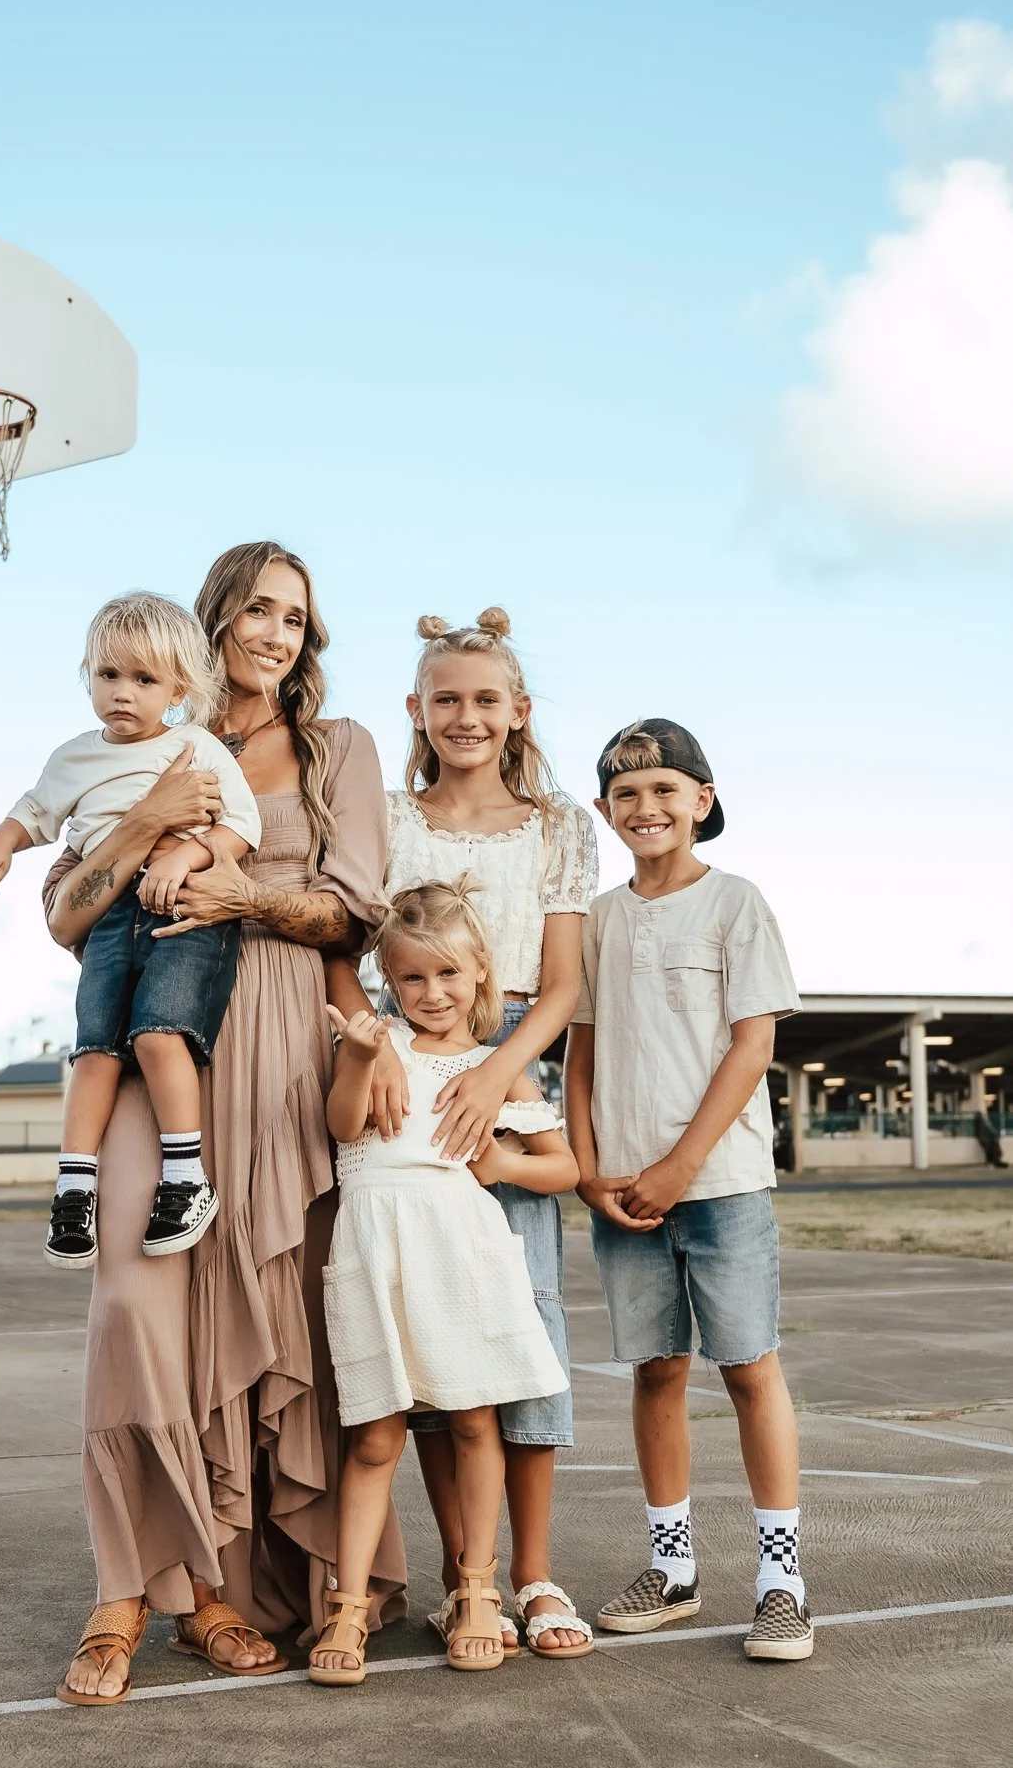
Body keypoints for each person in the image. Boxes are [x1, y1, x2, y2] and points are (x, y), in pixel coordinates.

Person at [44, 542, 405, 1706]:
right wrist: (142, 817)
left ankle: (227, 1598)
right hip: (159, 1048)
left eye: (296, 616)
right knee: (133, 1304)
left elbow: (353, 909)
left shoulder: (336, 748)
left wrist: (244, 892)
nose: (275, 631)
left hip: (287, 1053)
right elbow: (64, 918)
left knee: (281, 1318)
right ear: (212, 620)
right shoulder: (133, 735)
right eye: (256, 607)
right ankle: (122, 1592)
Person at [327, 608, 597, 1657]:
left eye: (486, 698)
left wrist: (493, 1072)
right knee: (427, 1350)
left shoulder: (555, 822)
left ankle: (527, 1574)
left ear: (517, 711)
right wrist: (383, 1047)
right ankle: (460, 1578)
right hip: (408, 1065)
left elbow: (563, 980)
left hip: (506, 1054)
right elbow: (355, 949)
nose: (466, 716)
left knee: (516, 1332)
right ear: (416, 710)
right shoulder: (391, 817)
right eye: (446, 698)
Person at [566, 719, 813, 1662]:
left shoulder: (734, 904)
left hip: (720, 1185)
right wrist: (587, 1167)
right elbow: (579, 1051)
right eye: (626, 794)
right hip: (622, 1191)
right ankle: (672, 1571)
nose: (646, 807)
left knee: (748, 1370)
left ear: (701, 802)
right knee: (656, 1371)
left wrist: (679, 1167)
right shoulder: (595, 917)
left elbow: (752, 1044)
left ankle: (780, 1583)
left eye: (665, 790)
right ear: (604, 811)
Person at [309, 880, 578, 1685]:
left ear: (479, 973)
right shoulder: (373, 1044)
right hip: (376, 1254)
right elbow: (341, 1126)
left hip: (462, 1255)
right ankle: (348, 1607)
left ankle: (475, 1590)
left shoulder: (491, 1072)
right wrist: (360, 1056)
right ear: (389, 978)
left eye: (448, 975)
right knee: (375, 1437)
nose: (432, 994)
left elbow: (561, 1167)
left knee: (472, 1425)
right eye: (414, 978)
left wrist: (500, 1162)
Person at [0, 593, 262, 1266]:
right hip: (106, 917)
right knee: (94, 1049)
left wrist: (186, 852)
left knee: (160, 1034)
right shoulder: (73, 756)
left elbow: (241, 826)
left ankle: (186, 1179)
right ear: (87, 674)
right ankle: (74, 1186)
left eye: (143, 680)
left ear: (178, 688)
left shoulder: (196, 748)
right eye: (108, 676)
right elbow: (35, 811)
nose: (122, 694)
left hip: (181, 907)